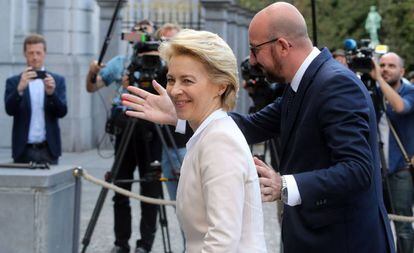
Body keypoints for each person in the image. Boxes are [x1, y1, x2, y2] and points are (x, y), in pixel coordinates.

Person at [120, 2, 396, 253]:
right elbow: (250, 126)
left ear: (283, 46)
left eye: (255, 49)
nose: (251, 60)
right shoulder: (301, 85)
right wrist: (181, 114)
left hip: (344, 242)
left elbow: (359, 170)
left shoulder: (335, 83)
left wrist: (284, 185)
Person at [123, 29, 267, 252]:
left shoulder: (220, 142)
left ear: (221, 86)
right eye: (171, 79)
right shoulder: (210, 133)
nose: (175, 90)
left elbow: (221, 242)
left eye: (187, 80)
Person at [86, 20, 161, 253]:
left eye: (146, 32)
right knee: (120, 186)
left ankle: (145, 245)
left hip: (152, 131)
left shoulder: (163, 64)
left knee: (150, 189)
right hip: (125, 129)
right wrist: (91, 72)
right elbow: (92, 87)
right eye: (137, 32)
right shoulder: (122, 63)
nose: (141, 35)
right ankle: (121, 244)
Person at [370, 52, 414, 253]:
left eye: (391, 66)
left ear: (402, 71)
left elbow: (399, 106)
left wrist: (379, 78)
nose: (385, 69)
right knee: (378, 222)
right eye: (382, 65)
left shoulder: (409, 91)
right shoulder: (375, 93)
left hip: (400, 169)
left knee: (403, 226)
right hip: (377, 170)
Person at [4, 34, 67, 165]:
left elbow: (62, 112)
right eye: (31, 53)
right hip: (23, 149)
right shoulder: (13, 81)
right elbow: (9, 110)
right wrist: (19, 90)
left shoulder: (57, 80)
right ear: (25, 54)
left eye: (38, 53)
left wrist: (51, 94)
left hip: (48, 149)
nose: (35, 57)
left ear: (45, 53)